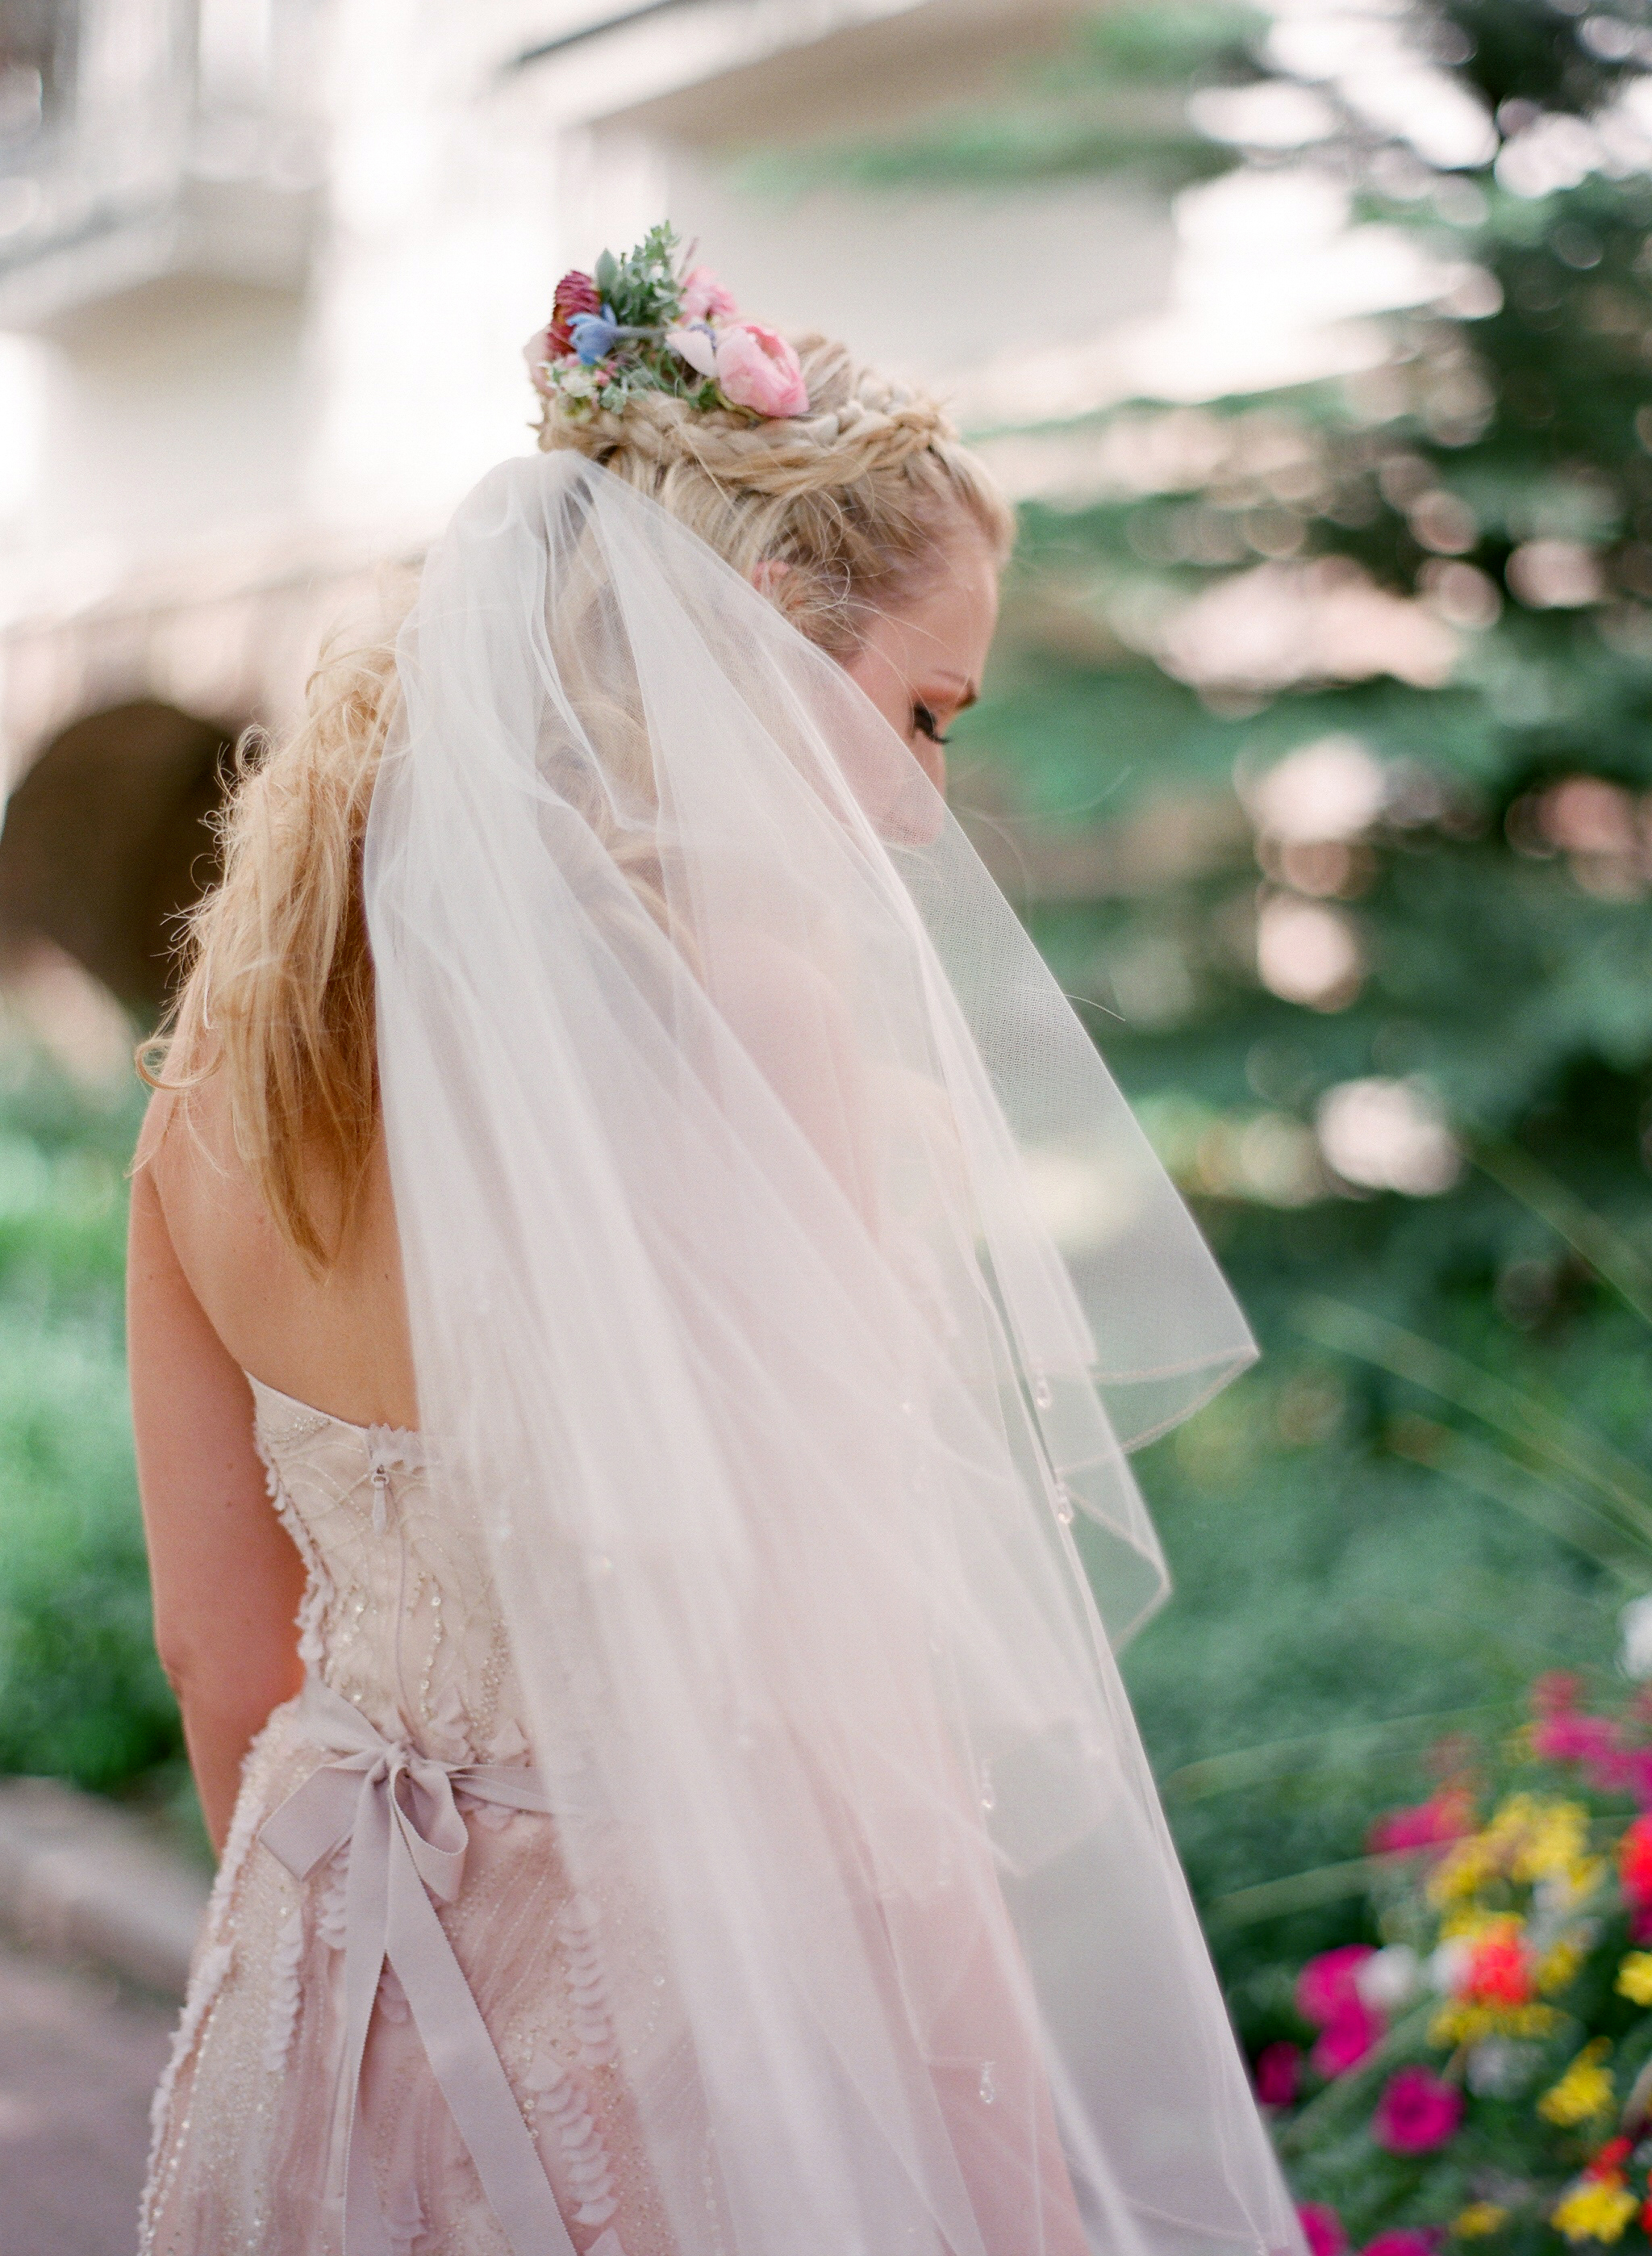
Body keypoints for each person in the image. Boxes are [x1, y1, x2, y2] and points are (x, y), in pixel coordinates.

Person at [129, 232, 1302, 2256]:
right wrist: (1006, 2165)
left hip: (315, 2015)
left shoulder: (212, 1089)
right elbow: (868, 1727)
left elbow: (219, 1659)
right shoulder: (749, 1023)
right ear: (753, 632)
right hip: (670, 2043)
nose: (929, 814)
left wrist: (373, 1988)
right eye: (924, 715)